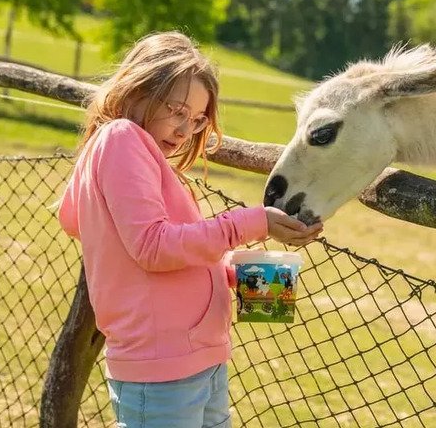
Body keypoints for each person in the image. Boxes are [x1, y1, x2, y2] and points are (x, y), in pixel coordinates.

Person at [57, 31, 323, 428]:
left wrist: (230, 269)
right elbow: (152, 247)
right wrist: (255, 221)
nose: (185, 130)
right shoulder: (121, 139)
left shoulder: (137, 153)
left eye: (197, 120)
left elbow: (151, 245)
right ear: (138, 90)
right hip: (162, 367)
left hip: (200, 358)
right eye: (177, 110)